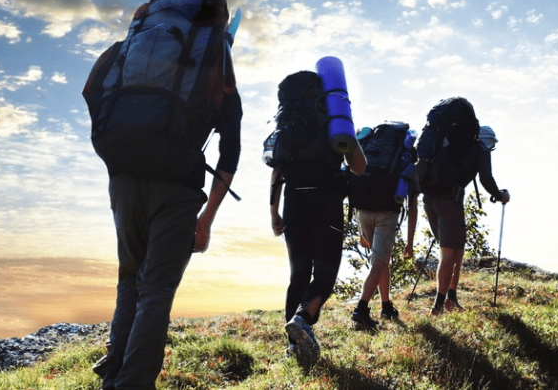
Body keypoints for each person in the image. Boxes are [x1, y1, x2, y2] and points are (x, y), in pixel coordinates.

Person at [93, 90, 242, 390]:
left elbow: (95, 94)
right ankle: (133, 384)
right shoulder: (219, 78)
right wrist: (207, 219)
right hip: (177, 188)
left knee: (130, 279)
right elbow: (230, 154)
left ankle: (113, 377)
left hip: (123, 180)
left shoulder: (139, 57)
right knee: (156, 290)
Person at [269, 114, 366, 366]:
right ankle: (302, 319)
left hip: (293, 202)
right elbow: (360, 167)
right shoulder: (335, 121)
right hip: (326, 203)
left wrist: (274, 211)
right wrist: (348, 136)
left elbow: (277, 171)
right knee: (325, 273)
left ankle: (293, 346)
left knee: (298, 275)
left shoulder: (289, 124)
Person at [423, 125, 509, 314]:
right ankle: (438, 306)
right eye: (491, 144)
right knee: (449, 253)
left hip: (429, 199)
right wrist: (499, 195)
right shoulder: (480, 148)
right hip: (449, 201)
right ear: (488, 141)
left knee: (457, 250)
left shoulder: (452, 145)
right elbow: (486, 178)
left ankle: (451, 298)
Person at [349, 124, 419, 329]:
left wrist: (360, 227)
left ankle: (386, 305)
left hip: (362, 211)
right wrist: (410, 243)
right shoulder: (405, 163)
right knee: (378, 263)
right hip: (386, 214)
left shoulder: (371, 153)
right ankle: (360, 309)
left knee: (382, 261)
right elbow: (412, 208)